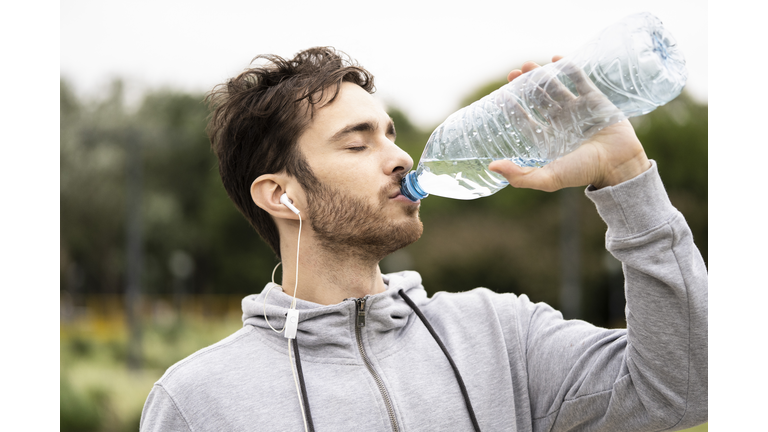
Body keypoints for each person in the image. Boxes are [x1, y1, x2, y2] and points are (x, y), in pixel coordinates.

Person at [140, 47, 707, 431]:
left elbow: (686, 387)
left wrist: (627, 175)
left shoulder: (501, 336)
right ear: (281, 196)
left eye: (390, 134)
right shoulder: (197, 402)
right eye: (357, 144)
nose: (402, 156)